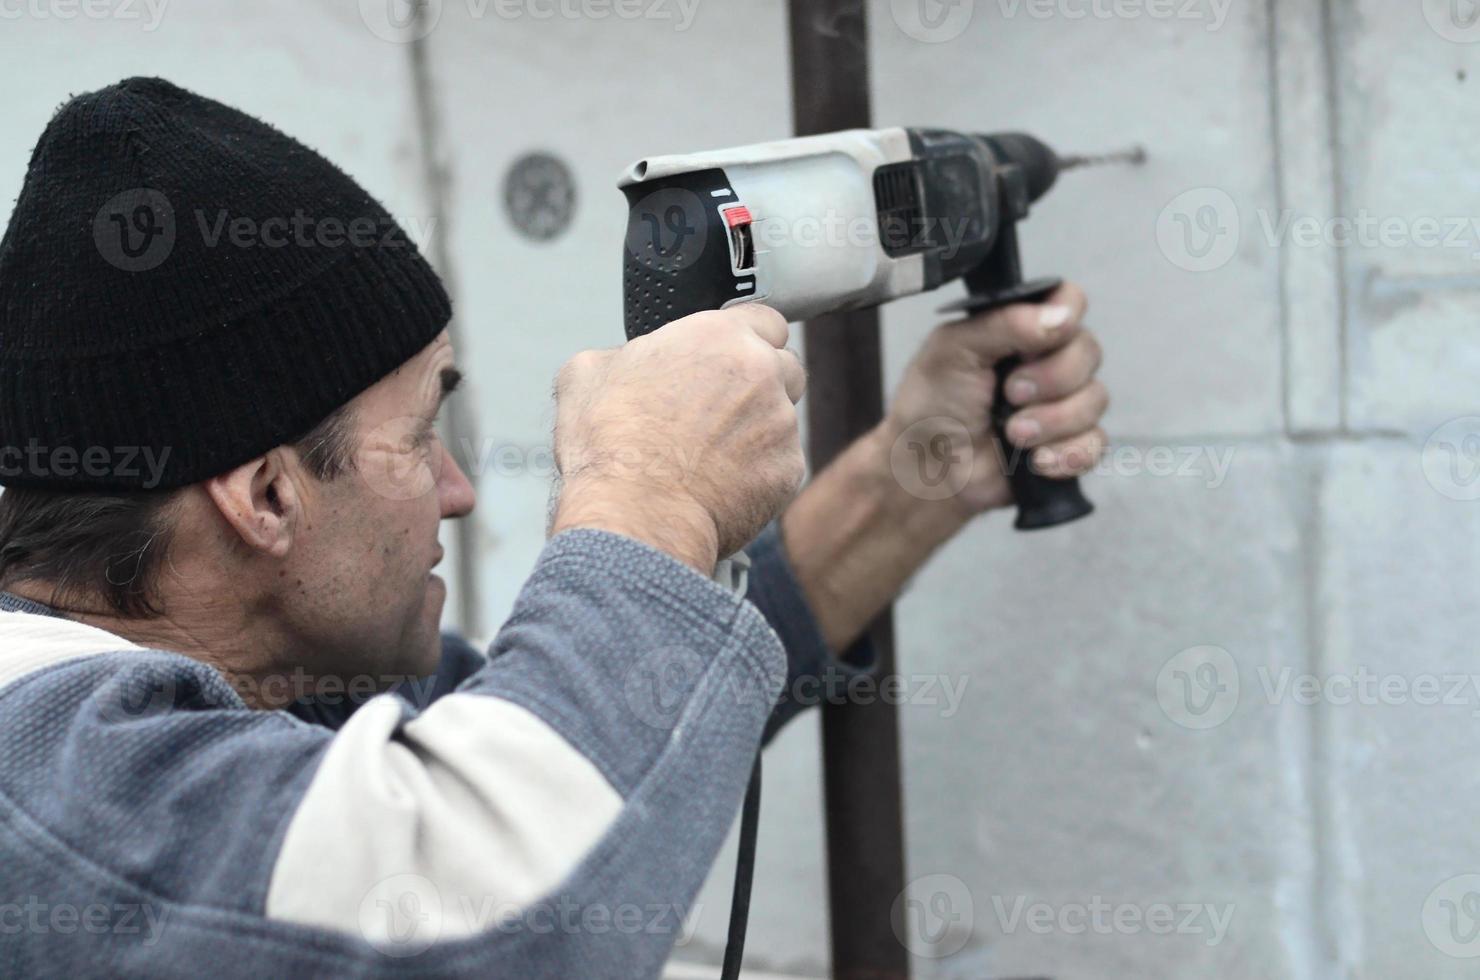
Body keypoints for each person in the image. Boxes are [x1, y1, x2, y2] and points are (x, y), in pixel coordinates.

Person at [0, 78, 1108, 977]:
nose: (457, 487)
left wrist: (916, 475)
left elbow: (590, 749)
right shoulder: (49, 787)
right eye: (423, 428)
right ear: (268, 496)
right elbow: (502, 918)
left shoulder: (285, 687)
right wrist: (651, 491)